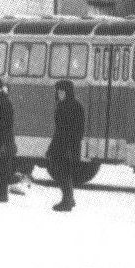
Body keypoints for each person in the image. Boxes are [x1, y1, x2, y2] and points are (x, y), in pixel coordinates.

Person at [46, 79, 86, 212]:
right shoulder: (63, 105)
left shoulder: (73, 106)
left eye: (63, 92)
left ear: (68, 92)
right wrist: (52, 147)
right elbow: (58, 130)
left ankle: (67, 200)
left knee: (63, 173)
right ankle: (69, 198)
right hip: (61, 145)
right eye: (58, 92)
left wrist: (70, 147)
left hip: (67, 145)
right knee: (61, 172)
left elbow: (77, 129)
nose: (60, 94)